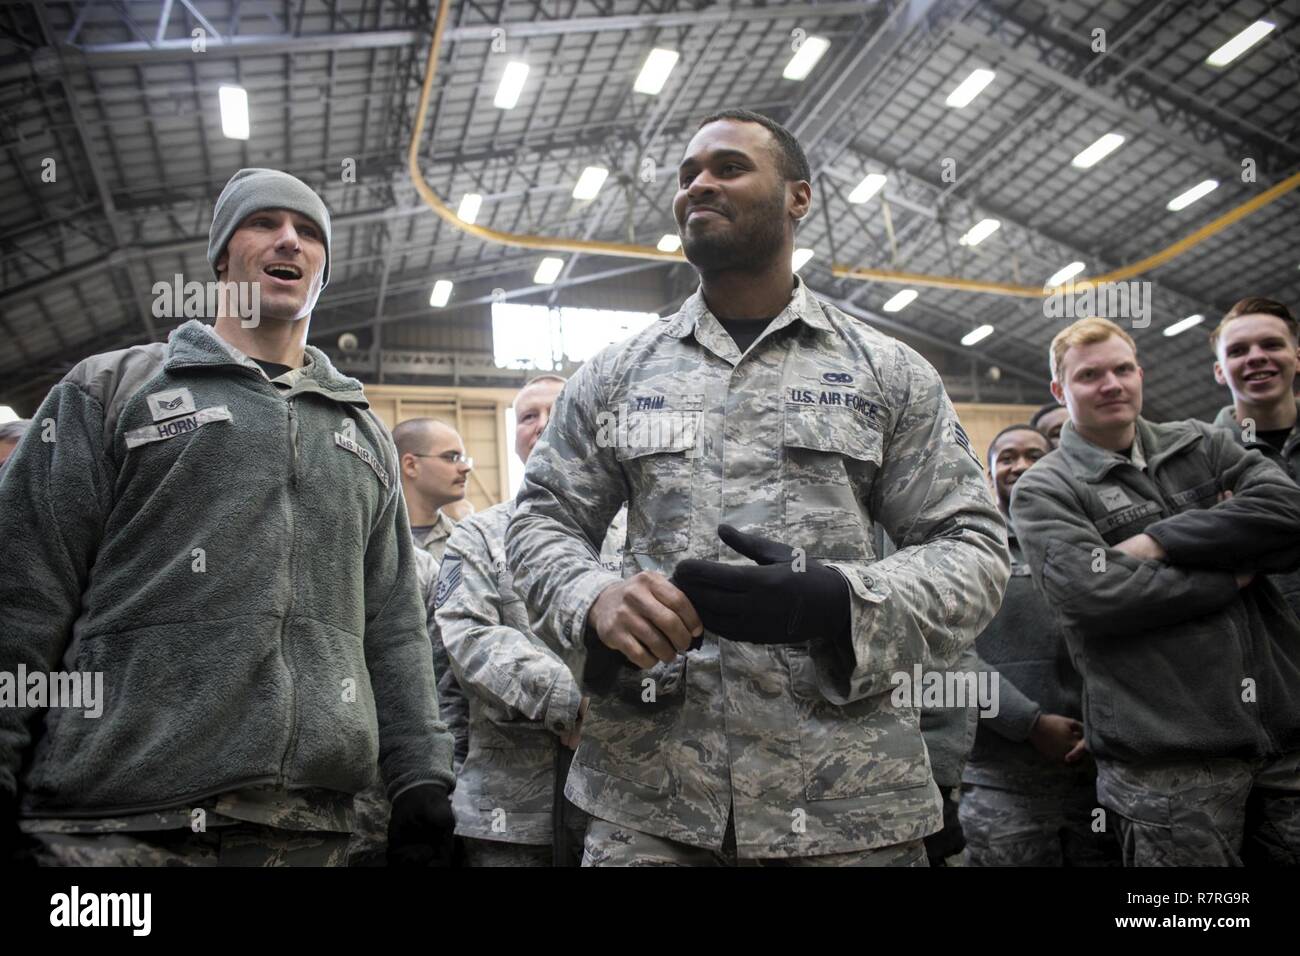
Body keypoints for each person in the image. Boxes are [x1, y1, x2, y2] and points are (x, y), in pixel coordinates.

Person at [505, 109, 1009, 866]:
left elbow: (974, 547)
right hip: (651, 801)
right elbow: (540, 520)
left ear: (798, 198)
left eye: (729, 167)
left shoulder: (889, 373)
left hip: (847, 799)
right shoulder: (615, 375)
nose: (699, 185)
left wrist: (843, 599)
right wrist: (596, 598)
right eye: (687, 176)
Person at [0, 168, 454, 866]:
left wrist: (420, 778)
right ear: (221, 256)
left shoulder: (361, 435)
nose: (289, 241)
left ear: (324, 270)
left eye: (308, 232)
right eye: (263, 223)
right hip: (119, 825)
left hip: (315, 831)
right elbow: (24, 593)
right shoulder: (112, 390)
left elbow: (394, 628)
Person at [1010, 316, 1300, 866]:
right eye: (1090, 375)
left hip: (1283, 743)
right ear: (1060, 390)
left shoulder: (1204, 443)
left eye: (1123, 369)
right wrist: (1230, 571)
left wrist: (1159, 541)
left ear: (1141, 374)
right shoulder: (1045, 489)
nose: (1112, 384)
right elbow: (1089, 597)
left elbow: (1288, 513)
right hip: (1167, 767)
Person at [437, 375, 623, 866]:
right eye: (527, 416)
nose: (540, 425)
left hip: (630, 812)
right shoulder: (475, 536)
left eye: (554, 411)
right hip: (512, 815)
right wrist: (570, 698)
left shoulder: (640, 530)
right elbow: (467, 633)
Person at [960, 425, 1118, 866]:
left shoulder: (1097, 545)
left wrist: (1103, 724)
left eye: (1035, 454)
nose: (1022, 465)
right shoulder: (972, 554)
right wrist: (1029, 723)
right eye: (1008, 457)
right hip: (1003, 783)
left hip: (1099, 776)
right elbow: (946, 657)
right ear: (990, 477)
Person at [1209, 297, 1300, 616]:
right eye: (1238, 351)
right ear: (1220, 371)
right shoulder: (1201, 463)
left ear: (1297, 357)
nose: (1257, 358)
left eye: (1272, 345)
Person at [392, 418, 471, 562]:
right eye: (451, 457)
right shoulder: (375, 542)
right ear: (411, 466)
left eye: (463, 458)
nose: (466, 468)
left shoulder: (466, 542)